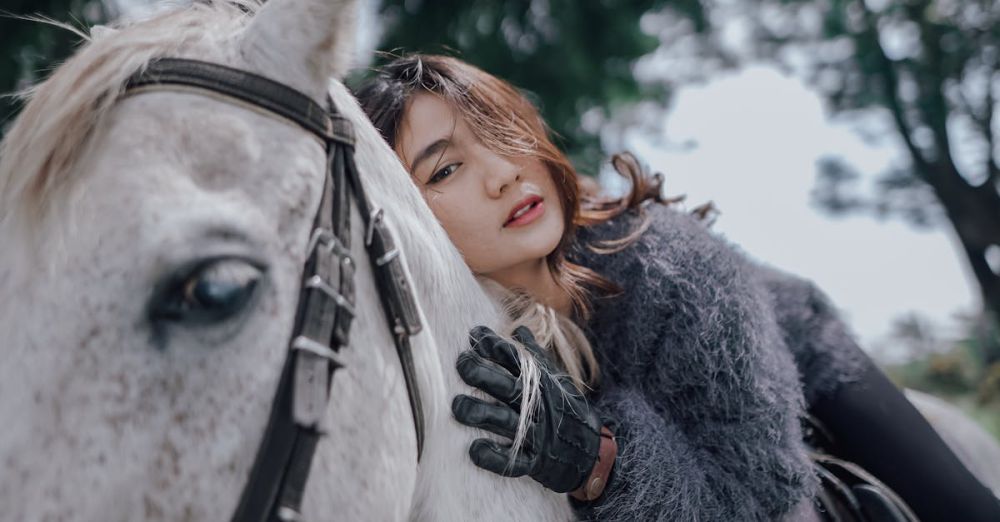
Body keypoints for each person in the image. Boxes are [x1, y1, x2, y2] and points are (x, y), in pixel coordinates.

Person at [354, 54, 1000, 521]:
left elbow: (760, 498)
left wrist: (599, 464)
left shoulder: (672, 266)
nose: (501, 174)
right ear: (408, 214)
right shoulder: (444, 341)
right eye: (447, 168)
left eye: (502, 134)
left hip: (798, 357)